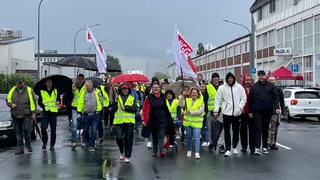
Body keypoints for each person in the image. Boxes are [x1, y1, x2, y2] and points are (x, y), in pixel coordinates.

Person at [214, 72, 246, 157]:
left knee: (236, 131)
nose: (230, 80)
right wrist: (216, 110)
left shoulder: (239, 87)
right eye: (229, 78)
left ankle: (234, 147)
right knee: (227, 131)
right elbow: (217, 99)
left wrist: (240, 107)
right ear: (226, 79)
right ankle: (228, 149)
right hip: (226, 113)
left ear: (234, 79)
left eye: (231, 78)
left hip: (237, 113)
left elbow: (243, 98)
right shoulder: (222, 88)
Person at [248, 70, 280, 155]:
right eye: (259, 75)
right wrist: (250, 111)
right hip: (257, 111)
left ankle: (265, 147)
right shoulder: (254, 87)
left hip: (267, 111)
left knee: (265, 129)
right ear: (258, 76)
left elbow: (276, 97)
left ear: (265, 76)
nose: (261, 77)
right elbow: (250, 100)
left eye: (262, 75)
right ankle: (257, 148)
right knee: (258, 128)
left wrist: (277, 107)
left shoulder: (270, 86)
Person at [142, 83, 173, 159]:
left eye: (157, 87)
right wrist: (143, 119)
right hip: (152, 120)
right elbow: (144, 109)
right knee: (155, 136)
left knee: (161, 135)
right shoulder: (148, 98)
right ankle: (155, 150)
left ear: (159, 88)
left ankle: (161, 150)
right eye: (154, 87)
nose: (156, 89)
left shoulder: (163, 97)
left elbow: (166, 108)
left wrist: (169, 118)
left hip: (162, 119)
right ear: (152, 89)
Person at [6, 77, 37, 154]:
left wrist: (34, 113)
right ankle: (20, 148)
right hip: (15, 114)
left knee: (27, 130)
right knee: (18, 132)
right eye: (18, 83)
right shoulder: (13, 89)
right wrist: (11, 104)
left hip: (26, 114)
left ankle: (28, 144)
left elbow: (33, 102)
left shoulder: (29, 90)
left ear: (24, 83)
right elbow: (8, 99)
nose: (19, 84)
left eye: (21, 82)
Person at [112, 83, 137, 163]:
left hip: (129, 122)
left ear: (128, 90)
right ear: (121, 90)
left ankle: (127, 156)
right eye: (123, 89)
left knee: (128, 139)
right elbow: (113, 110)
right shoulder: (117, 97)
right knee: (119, 138)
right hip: (119, 122)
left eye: (126, 89)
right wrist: (115, 102)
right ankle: (121, 151)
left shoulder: (132, 98)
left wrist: (126, 108)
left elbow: (135, 109)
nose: (125, 90)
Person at [77, 80, 104, 152]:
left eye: (88, 86)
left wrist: (100, 110)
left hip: (95, 114)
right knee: (85, 130)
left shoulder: (97, 91)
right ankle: (88, 142)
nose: (86, 87)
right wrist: (79, 112)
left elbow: (101, 101)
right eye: (86, 86)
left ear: (91, 86)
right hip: (86, 115)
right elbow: (80, 102)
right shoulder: (83, 92)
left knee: (94, 131)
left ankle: (91, 146)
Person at [179, 88, 204, 159]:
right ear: (190, 94)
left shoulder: (200, 101)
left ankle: (197, 152)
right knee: (188, 137)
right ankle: (189, 150)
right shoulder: (187, 100)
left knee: (196, 137)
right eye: (192, 92)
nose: (194, 94)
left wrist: (191, 112)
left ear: (198, 94)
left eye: (195, 93)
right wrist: (182, 97)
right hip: (188, 123)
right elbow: (180, 104)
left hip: (197, 123)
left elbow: (200, 111)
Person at [204, 72, 225, 153]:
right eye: (214, 77)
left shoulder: (222, 87)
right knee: (210, 128)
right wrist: (206, 110)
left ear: (219, 78)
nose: (216, 79)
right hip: (211, 111)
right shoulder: (208, 87)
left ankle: (220, 145)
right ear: (212, 79)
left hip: (221, 110)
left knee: (221, 129)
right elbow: (205, 100)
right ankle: (211, 143)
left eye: (217, 77)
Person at [38, 78, 60, 150]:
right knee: (43, 128)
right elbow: (39, 102)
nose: (50, 82)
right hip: (45, 112)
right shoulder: (42, 91)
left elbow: (58, 99)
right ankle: (45, 142)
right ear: (45, 83)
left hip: (53, 112)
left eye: (50, 81)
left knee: (53, 130)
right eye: (48, 82)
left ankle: (52, 145)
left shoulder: (56, 90)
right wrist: (44, 107)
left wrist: (58, 102)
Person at [268, 76, 285, 150]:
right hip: (266, 111)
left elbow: (282, 102)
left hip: (275, 111)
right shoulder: (266, 89)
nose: (271, 81)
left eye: (272, 80)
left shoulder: (279, 90)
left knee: (274, 129)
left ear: (275, 81)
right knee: (267, 128)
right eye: (270, 80)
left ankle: (273, 144)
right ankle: (267, 143)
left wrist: (283, 113)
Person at [240, 73, 255, 153]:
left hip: (252, 113)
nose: (248, 81)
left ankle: (252, 147)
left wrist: (252, 111)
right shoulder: (240, 88)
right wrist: (240, 109)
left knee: (252, 130)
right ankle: (244, 146)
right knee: (243, 130)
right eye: (246, 80)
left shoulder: (254, 88)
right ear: (244, 80)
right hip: (243, 112)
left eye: (249, 80)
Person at [71, 74, 86, 149]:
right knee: (74, 125)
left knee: (84, 125)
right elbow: (67, 97)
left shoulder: (86, 87)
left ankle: (84, 142)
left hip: (83, 108)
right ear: (76, 79)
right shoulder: (73, 86)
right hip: (75, 108)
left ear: (83, 80)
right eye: (79, 79)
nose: (80, 80)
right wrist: (72, 91)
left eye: (81, 79)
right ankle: (73, 141)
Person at [200, 82, 209, 147]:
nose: (202, 87)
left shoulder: (208, 94)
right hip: (201, 113)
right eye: (201, 86)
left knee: (207, 127)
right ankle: (204, 140)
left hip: (207, 112)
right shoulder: (198, 95)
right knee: (202, 127)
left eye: (204, 86)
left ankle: (208, 140)